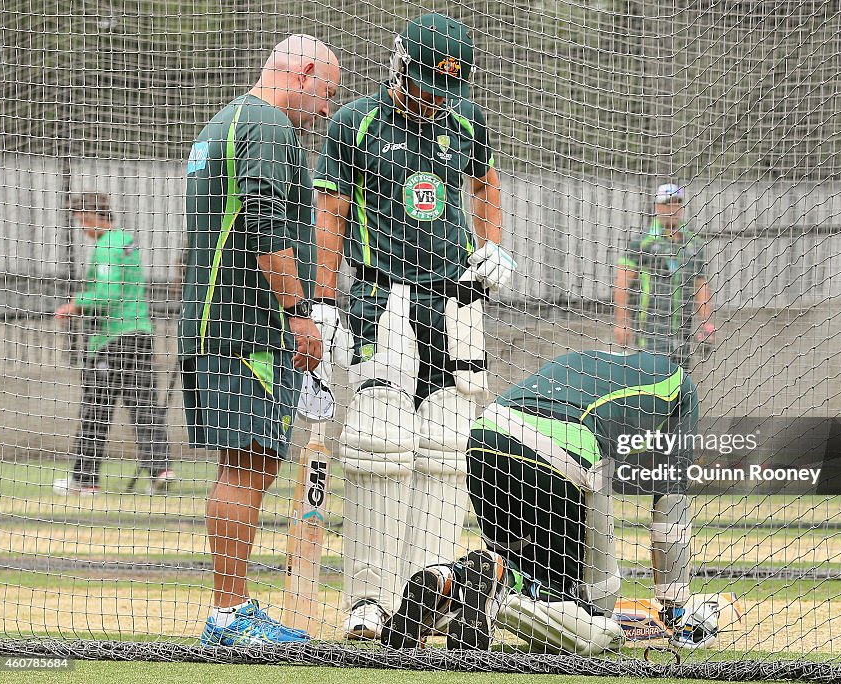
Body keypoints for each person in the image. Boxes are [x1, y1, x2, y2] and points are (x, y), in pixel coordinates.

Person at [313, 13, 516, 639]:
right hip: (383, 297)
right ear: (399, 66)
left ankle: (426, 594)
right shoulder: (357, 123)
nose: (435, 98)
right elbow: (331, 213)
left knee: (450, 450)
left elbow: (485, 184)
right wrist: (322, 303)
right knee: (377, 443)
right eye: (427, 84)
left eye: (445, 87)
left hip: (457, 302)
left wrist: (495, 246)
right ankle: (369, 600)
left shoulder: (465, 120)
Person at [380, 349, 719, 654]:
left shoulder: (591, 361)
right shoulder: (682, 391)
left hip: (486, 436)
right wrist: (674, 608)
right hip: (563, 450)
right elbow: (670, 515)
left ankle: (444, 581)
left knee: (514, 570)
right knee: (598, 614)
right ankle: (503, 598)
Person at [179, 34, 340, 646]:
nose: (327, 110)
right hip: (246, 328)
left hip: (213, 323)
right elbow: (264, 223)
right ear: (301, 72)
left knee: (250, 463)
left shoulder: (224, 122)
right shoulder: (269, 127)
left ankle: (230, 611)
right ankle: (227, 617)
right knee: (248, 465)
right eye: (328, 92)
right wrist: (300, 311)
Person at [52, 192, 172, 496]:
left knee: (96, 409)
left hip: (112, 341)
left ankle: (85, 480)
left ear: (92, 217)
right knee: (144, 405)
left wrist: (74, 305)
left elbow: (107, 295)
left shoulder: (105, 247)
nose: (82, 229)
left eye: (82, 221)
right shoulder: (127, 242)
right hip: (140, 335)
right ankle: (161, 469)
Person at [614, 183, 714, 366]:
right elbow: (622, 284)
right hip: (651, 331)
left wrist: (706, 323)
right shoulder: (642, 243)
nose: (673, 208)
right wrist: (622, 322)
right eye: (668, 203)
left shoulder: (694, 244)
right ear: (657, 207)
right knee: (653, 382)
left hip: (683, 331)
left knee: (679, 384)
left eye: (677, 203)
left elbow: (700, 285)